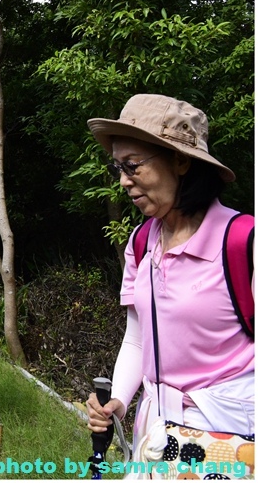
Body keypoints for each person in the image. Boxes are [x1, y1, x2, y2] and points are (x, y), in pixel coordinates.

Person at [84, 95, 253, 457]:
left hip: (230, 436)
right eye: (118, 168)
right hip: (157, 436)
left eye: (133, 166)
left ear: (180, 161)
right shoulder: (142, 242)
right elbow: (138, 339)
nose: (124, 182)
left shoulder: (243, 242)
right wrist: (119, 400)